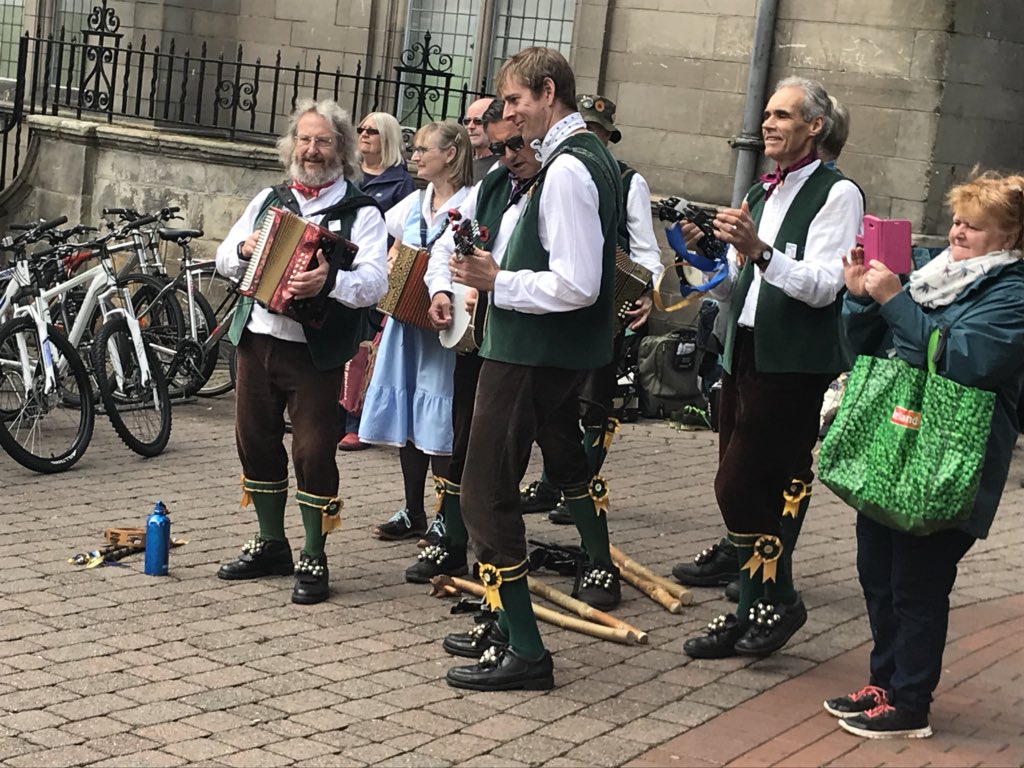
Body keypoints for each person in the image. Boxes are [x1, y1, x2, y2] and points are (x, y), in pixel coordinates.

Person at [443, 47, 622, 691]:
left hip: (529, 352)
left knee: (485, 491)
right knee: (494, 482)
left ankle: (525, 647)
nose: (507, 115)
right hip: (533, 350)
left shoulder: (571, 167)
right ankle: (499, 625)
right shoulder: (571, 161)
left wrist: (498, 279)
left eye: (515, 101)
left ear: (549, 93)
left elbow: (579, 283)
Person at [825, 170, 1024, 739]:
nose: (958, 231)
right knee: (877, 573)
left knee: (918, 581)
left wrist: (894, 300)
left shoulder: (1012, 294)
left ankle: (911, 704)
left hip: (948, 458)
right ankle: (882, 682)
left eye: (974, 225)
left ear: (1008, 237)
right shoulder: (935, 276)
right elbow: (867, 347)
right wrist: (862, 299)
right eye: (957, 219)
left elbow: (966, 362)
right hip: (894, 446)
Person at [679, 77, 864, 659]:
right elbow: (738, 287)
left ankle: (778, 598)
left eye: (782, 115)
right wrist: (705, 255)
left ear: (815, 126)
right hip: (745, 351)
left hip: (791, 363)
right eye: (766, 114)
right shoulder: (762, 193)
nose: (768, 124)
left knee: (738, 485)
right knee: (748, 487)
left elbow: (824, 286)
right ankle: (750, 609)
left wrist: (760, 250)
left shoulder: (838, 195)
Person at [214, 98, 388, 605]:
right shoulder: (271, 199)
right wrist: (245, 251)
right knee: (255, 440)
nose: (312, 150)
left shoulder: (360, 212)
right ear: (293, 145)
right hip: (257, 340)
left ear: (342, 150)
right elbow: (225, 255)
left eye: (324, 141)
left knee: (313, 450)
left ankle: (314, 551)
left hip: (315, 351)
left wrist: (328, 281)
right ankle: (271, 543)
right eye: (305, 140)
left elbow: (375, 282)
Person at [402, 98, 542, 587]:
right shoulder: (492, 187)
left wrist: (498, 284)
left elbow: (575, 279)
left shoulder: (560, 186)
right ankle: (457, 540)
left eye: (517, 145)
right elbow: (448, 242)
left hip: (534, 342)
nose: (507, 155)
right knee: (466, 439)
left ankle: (592, 564)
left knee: (544, 455)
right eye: (500, 147)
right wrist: (443, 288)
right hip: (481, 334)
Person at [525, 92, 664, 526]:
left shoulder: (627, 181)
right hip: (560, 299)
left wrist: (647, 293)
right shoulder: (555, 169)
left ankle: (579, 487)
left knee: (594, 400)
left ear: (607, 136)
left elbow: (645, 249)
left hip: (609, 301)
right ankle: (553, 481)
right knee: (554, 395)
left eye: (598, 132)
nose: (590, 137)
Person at [359, 121, 474, 541]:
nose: (416, 155)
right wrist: (391, 261)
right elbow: (385, 238)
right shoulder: (413, 202)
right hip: (407, 323)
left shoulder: (473, 202)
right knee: (408, 415)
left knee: (440, 419)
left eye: (424, 148)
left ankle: (447, 514)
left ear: (451, 155)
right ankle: (413, 509)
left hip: (446, 329)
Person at [338, 112, 417, 452]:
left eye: (373, 131)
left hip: (376, 275)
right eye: (361, 129)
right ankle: (332, 416)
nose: (365, 135)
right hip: (342, 269)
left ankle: (357, 423)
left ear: (388, 139)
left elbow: (403, 235)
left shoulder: (400, 184)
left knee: (364, 350)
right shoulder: (347, 176)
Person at [464, 97, 496, 183]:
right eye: (467, 121)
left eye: (478, 121)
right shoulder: (460, 163)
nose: (470, 126)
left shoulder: (503, 165)